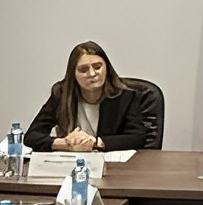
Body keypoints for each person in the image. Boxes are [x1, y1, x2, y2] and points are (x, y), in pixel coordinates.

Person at [26, 39, 164, 152]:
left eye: (97, 67)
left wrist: (95, 142)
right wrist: (66, 143)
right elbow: (32, 136)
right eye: (83, 70)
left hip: (112, 166)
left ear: (107, 68)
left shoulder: (124, 95)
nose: (92, 74)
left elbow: (137, 137)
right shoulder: (61, 94)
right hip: (72, 163)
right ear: (73, 74)